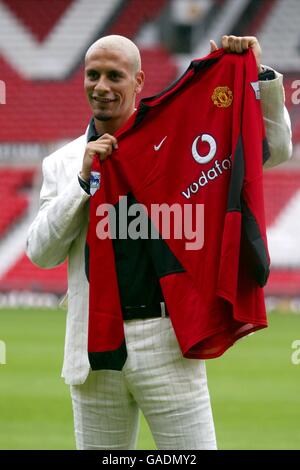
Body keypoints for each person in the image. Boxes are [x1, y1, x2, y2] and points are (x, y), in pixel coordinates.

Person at [26, 34, 292, 450]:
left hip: (167, 341)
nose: (102, 86)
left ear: (139, 82)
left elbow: (272, 150)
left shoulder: (174, 143)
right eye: (92, 75)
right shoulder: (63, 162)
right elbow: (41, 253)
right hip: (94, 349)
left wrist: (254, 75)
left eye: (115, 75)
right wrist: (83, 181)